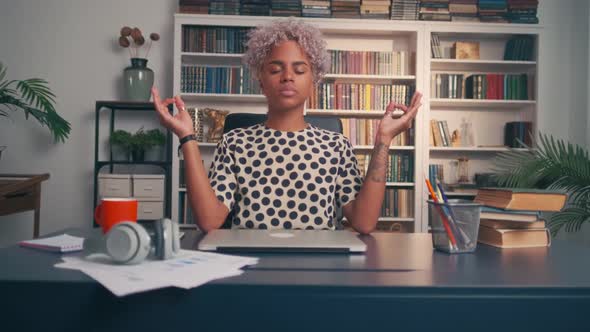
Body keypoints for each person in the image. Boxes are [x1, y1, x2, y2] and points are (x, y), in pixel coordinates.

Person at [152, 18, 422, 234]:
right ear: (260, 80)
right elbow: (209, 221)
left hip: (320, 269)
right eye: (275, 69)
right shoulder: (235, 142)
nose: (288, 77)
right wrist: (186, 136)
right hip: (248, 267)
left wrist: (384, 140)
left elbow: (364, 223)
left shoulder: (336, 146)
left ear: (314, 81)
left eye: (300, 69)